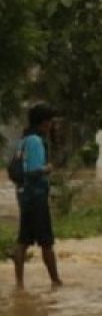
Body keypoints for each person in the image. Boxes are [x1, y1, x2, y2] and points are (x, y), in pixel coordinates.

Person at [13, 105, 63, 291]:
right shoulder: (36, 141)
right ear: (44, 122)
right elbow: (33, 171)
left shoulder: (23, 141)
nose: (51, 126)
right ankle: (56, 281)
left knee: (23, 240)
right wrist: (47, 169)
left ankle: (19, 283)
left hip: (23, 195)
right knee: (46, 241)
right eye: (50, 122)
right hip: (37, 197)